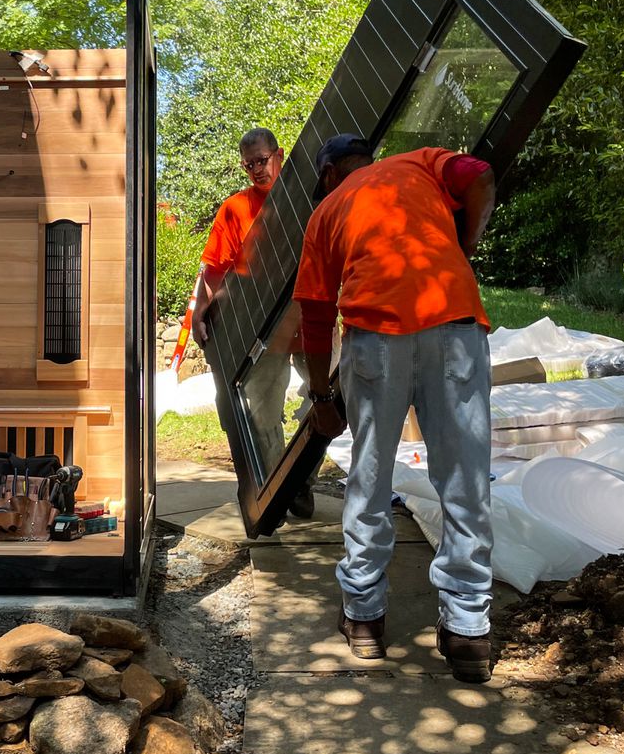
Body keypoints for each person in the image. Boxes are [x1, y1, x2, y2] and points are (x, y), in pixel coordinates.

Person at [294, 134, 498, 683]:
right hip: (454, 324)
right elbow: (480, 176)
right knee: (464, 476)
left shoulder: (328, 210)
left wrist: (320, 398)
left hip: (375, 338)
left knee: (371, 473)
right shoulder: (422, 164)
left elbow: (314, 318)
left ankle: (364, 619)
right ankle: (467, 631)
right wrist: (466, 245)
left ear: (331, 173)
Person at [193, 128, 315, 518]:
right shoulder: (235, 208)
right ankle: (284, 483)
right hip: (264, 326)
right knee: (261, 413)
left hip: (312, 315)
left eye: (261, 161)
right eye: (248, 165)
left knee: (326, 397)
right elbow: (213, 269)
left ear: (278, 154)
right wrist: (198, 311)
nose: (256, 171)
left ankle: (303, 473)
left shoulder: (305, 198)